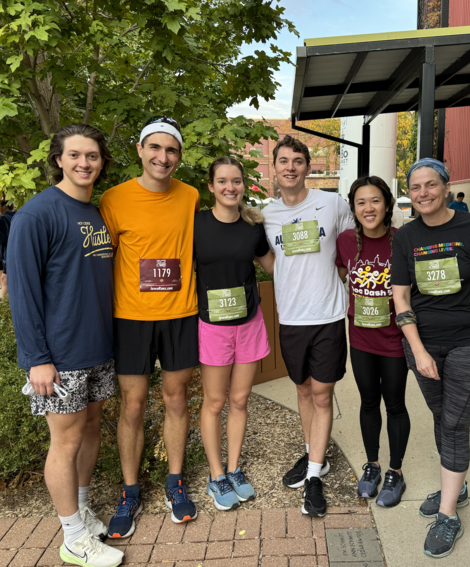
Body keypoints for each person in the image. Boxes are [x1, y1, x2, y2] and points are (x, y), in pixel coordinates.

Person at [8, 124, 123, 567]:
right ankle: (73, 538)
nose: (84, 163)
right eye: (75, 155)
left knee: (90, 431)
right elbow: (21, 292)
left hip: (97, 347)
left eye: (92, 156)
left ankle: (81, 510)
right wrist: (36, 359)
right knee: (65, 442)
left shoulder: (94, 212)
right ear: (58, 159)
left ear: (101, 162)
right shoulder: (37, 215)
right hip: (59, 355)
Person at [391, 158, 470, 559]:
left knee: (455, 422)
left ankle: (448, 515)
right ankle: (455, 482)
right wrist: (418, 350)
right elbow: (401, 297)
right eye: (416, 187)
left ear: (446, 187)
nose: (423, 193)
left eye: (431, 185)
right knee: (442, 416)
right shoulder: (405, 237)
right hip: (423, 344)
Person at [99, 115, 200, 536]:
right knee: (133, 405)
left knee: (177, 399)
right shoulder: (113, 199)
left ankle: (175, 483)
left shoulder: (191, 196)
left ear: (179, 156)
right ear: (140, 150)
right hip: (132, 317)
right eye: (155, 148)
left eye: (171, 150)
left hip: (180, 313)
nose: (163, 157)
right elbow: (102, 261)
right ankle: (130, 491)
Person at [261, 135, 354, 517]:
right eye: (283, 161)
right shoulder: (265, 215)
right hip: (292, 317)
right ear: (275, 168)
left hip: (328, 315)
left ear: (308, 167)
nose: (290, 167)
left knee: (321, 392)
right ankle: (316, 455)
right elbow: (269, 261)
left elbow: (351, 249)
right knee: (301, 389)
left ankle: (314, 475)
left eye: (297, 161)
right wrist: (287, 275)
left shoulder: (333, 203)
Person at [194, 156, 275, 510]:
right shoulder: (194, 224)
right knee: (214, 402)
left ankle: (234, 468)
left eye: (237, 181)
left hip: (249, 324)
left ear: (244, 185)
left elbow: (273, 265)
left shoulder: (253, 226)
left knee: (240, 400)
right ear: (211, 186)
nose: (231, 187)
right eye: (223, 181)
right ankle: (216, 476)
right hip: (211, 327)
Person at [335, 176, 410, 508]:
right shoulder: (345, 241)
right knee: (368, 402)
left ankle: (395, 470)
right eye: (361, 202)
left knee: (394, 403)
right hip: (361, 337)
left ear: (388, 204)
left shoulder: (403, 240)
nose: (369, 208)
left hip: (394, 338)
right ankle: (373, 466)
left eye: (375, 201)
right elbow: (341, 273)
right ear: (353, 207)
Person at [0, 201, 16, 296]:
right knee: (5, 278)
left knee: (5, 279)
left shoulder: (4, 218)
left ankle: (3, 304)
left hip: (9, 253)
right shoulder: (16, 216)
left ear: (5, 206)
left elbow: (3, 236)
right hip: (17, 251)